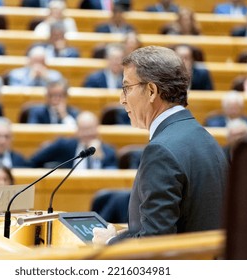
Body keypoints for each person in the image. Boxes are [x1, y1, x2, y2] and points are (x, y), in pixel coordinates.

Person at [92, 46, 228, 245]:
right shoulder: (206, 138)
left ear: (151, 91)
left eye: (127, 88)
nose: (122, 99)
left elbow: (155, 244)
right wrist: (120, 236)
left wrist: (109, 243)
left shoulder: (161, 151)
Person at [27, 110, 118, 169]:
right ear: (77, 131)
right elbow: (34, 161)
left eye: (90, 129)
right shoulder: (63, 146)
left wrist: (100, 158)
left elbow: (112, 178)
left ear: (97, 129)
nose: (87, 134)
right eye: (83, 130)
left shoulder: (109, 151)